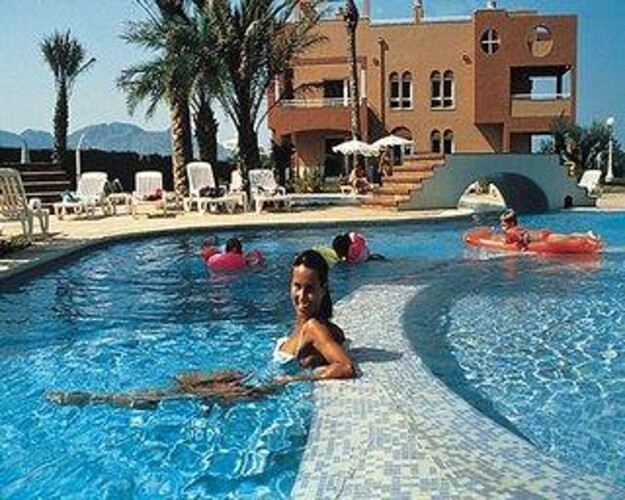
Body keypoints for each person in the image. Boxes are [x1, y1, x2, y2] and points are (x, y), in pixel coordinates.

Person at [47, 250, 354, 410]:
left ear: (324, 289)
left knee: (175, 394)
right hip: (251, 376)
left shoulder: (313, 326)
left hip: (258, 388)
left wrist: (295, 379)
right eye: (297, 286)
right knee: (183, 380)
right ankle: (115, 398)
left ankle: (98, 399)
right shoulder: (311, 324)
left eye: (310, 289)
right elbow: (335, 339)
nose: (302, 296)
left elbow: (344, 366)